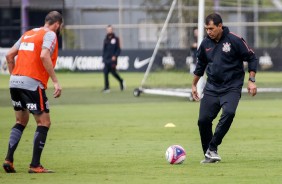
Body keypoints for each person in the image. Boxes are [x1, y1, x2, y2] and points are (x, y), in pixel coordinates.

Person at [191, 13, 258, 164]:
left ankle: (212, 147)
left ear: (220, 26)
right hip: (212, 87)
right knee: (203, 121)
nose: (208, 31)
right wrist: (194, 84)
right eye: (206, 29)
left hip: (232, 87)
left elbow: (252, 57)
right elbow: (200, 66)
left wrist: (251, 80)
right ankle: (209, 154)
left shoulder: (234, 40)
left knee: (229, 112)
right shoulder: (205, 44)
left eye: (211, 28)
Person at [3, 11, 63, 173]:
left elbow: (9, 56)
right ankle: (35, 165)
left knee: (20, 121)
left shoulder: (28, 34)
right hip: (32, 83)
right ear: (57, 24)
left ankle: (9, 159)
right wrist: (56, 81)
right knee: (44, 122)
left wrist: (16, 77)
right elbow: (44, 55)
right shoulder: (50, 34)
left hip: (14, 81)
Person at [102, 25, 125, 93]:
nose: (109, 31)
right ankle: (107, 88)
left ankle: (121, 81)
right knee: (105, 72)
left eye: (110, 29)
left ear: (112, 30)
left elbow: (118, 49)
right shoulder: (105, 40)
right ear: (106, 31)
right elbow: (104, 50)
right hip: (106, 59)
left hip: (113, 60)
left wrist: (115, 56)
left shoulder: (116, 39)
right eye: (108, 29)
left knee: (113, 73)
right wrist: (103, 58)